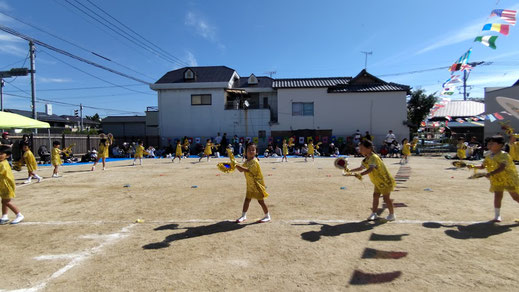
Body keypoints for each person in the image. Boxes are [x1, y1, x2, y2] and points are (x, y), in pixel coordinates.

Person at [473, 135, 519, 222]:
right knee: (498, 195)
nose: (489, 145)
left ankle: (497, 216)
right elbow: (483, 166)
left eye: (492, 143)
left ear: (500, 145)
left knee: (515, 196)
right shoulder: (489, 155)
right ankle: (497, 216)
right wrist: (472, 166)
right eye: (488, 143)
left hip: (508, 178)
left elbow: (502, 167)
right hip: (497, 179)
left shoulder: (504, 155)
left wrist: (490, 173)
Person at [349, 140, 396, 221]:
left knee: (386, 198)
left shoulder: (373, 157)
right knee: (375, 196)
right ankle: (374, 213)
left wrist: (360, 174)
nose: (359, 150)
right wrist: (349, 170)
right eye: (359, 148)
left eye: (361, 148)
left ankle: (392, 215)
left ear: (369, 148)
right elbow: (360, 168)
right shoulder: (366, 159)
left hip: (385, 180)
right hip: (378, 181)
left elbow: (370, 169)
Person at [235, 143, 271, 223]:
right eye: (249, 150)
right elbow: (241, 169)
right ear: (245, 151)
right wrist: (233, 165)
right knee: (247, 199)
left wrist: (236, 165)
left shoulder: (254, 161)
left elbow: (246, 169)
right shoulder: (247, 161)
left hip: (257, 184)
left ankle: (267, 216)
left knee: (260, 201)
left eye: (253, 150)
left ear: (256, 152)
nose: (251, 151)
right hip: (250, 184)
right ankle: (243, 216)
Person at [0, 146, 24, 225]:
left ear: (7, 156)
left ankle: (19, 215)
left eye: (1, 154)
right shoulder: (2, 162)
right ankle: (4, 216)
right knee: (4, 201)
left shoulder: (3, 164)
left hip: (6, 185)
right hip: (3, 185)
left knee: (7, 202)